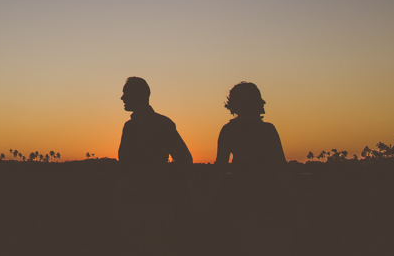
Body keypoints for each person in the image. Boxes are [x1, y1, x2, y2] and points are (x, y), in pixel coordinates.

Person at [213, 82, 300, 255]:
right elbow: (282, 169)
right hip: (271, 199)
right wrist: (296, 205)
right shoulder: (268, 130)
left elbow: (219, 170)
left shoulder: (229, 130)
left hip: (243, 200)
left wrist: (207, 201)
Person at [116, 77, 194, 254]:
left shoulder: (131, 126)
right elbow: (185, 160)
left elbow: (125, 164)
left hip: (138, 201)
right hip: (160, 199)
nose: (122, 98)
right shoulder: (164, 123)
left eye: (125, 94)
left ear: (137, 96)